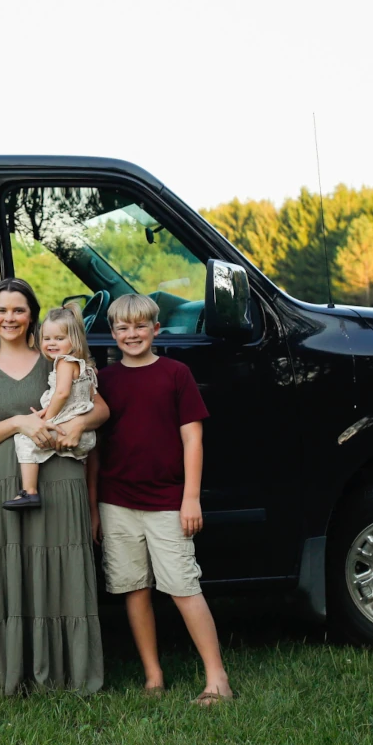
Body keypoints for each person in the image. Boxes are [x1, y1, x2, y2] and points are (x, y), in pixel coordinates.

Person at [0, 279, 111, 695]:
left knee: (64, 568)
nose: (10, 318)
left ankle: (72, 672)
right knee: (13, 571)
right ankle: (19, 674)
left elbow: (99, 406)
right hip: (4, 482)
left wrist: (79, 422)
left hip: (60, 475)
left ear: (32, 315)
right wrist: (20, 423)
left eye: (19, 310)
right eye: (2, 310)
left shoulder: (55, 355)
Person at [87, 293, 233, 705]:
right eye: (122, 327)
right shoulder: (105, 381)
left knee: (184, 587)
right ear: (112, 334)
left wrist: (190, 498)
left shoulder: (175, 374)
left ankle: (216, 678)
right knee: (133, 588)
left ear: (155, 329)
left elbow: (193, 439)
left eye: (139, 326)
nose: (131, 334)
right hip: (116, 502)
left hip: (168, 501)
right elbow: (95, 451)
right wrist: (94, 507)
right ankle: (153, 676)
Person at [3, 306, 98, 510]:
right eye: (47, 338)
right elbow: (82, 400)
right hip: (85, 435)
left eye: (59, 338)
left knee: (24, 439)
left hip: (69, 430)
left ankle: (29, 492)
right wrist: (47, 411)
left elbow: (62, 394)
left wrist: (47, 421)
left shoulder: (64, 362)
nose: (51, 343)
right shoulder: (84, 367)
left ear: (74, 340)